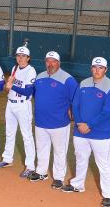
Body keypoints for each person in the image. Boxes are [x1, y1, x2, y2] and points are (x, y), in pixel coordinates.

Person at [62, 57, 110, 207]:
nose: (97, 70)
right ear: (91, 68)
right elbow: (75, 104)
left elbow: (109, 112)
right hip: (81, 131)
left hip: (101, 133)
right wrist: (80, 123)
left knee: (104, 164)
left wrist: (90, 125)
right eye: (94, 67)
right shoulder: (84, 83)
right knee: (80, 158)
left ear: (105, 70)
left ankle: (109, 195)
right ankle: (77, 185)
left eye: (100, 68)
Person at [29, 51, 78, 189]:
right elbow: (35, 95)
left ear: (59, 63)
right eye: (48, 61)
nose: (50, 64)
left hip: (59, 123)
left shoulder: (68, 79)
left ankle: (58, 177)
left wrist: (73, 111)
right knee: (41, 148)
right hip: (40, 121)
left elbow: (76, 99)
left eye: (53, 61)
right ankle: (41, 172)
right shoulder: (40, 77)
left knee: (59, 151)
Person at [0, 46, 37, 178]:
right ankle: (7, 159)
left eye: (23, 56)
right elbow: (9, 89)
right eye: (18, 55)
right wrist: (8, 87)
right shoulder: (15, 68)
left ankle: (30, 166)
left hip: (23, 105)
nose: (20, 58)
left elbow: (29, 91)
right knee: (9, 133)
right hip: (10, 104)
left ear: (28, 58)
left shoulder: (31, 71)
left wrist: (12, 85)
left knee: (27, 136)